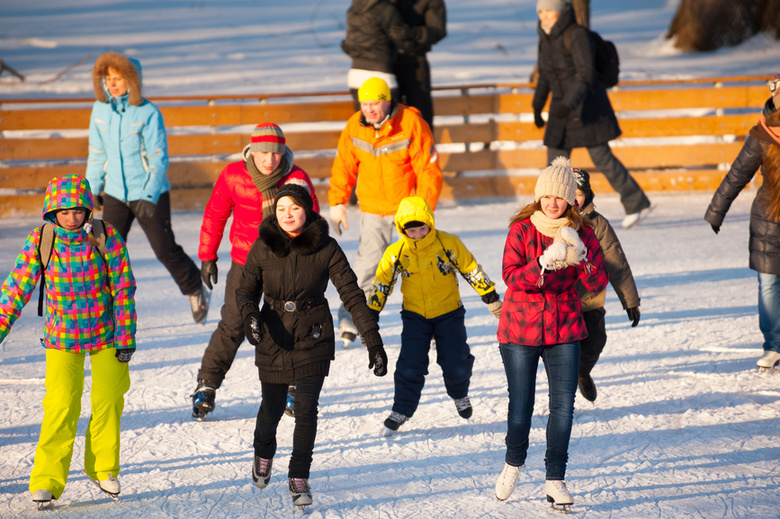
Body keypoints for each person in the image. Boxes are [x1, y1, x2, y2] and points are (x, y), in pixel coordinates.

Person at [235, 183, 388, 508]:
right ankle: (263, 451)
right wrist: (250, 315)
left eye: (294, 208)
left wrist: (372, 340)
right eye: (281, 209)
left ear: (307, 210)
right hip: (273, 334)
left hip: (313, 333)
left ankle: (298, 475)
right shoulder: (263, 247)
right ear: (274, 214)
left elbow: (352, 294)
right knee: (273, 407)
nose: (288, 214)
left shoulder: (326, 247)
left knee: (305, 409)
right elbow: (245, 290)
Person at [0, 175, 136, 508]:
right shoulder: (42, 239)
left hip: (106, 335)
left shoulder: (105, 236)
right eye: (64, 212)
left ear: (87, 209)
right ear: (51, 213)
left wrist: (125, 335)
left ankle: (103, 468)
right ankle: (47, 478)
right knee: (61, 406)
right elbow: (17, 286)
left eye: (77, 211)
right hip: (62, 338)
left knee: (108, 402)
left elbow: (123, 287)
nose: (72, 218)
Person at [494, 157, 607, 511]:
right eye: (547, 197)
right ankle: (513, 462)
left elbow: (597, 281)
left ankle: (555, 479)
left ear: (571, 199)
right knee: (521, 404)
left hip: (564, 326)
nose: (553, 203)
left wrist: (581, 257)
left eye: (559, 197)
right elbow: (511, 277)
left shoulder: (582, 231)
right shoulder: (522, 230)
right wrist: (542, 262)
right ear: (539, 198)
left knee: (563, 406)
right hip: (520, 328)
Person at [191, 122, 320, 421]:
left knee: (288, 325)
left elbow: (311, 219)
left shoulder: (296, 178)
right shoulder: (233, 176)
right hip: (245, 263)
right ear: (252, 150)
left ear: (283, 152)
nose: (269, 160)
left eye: (275, 153)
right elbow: (215, 214)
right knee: (234, 323)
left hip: (286, 264)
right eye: (263, 152)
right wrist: (207, 256)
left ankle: (291, 386)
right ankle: (206, 384)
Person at [85, 52, 208, 324]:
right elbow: (97, 153)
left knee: (164, 248)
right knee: (105, 249)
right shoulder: (100, 110)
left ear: (133, 80)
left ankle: (194, 287)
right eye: (108, 79)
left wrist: (150, 195)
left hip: (149, 192)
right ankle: (104, 305)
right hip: (116, 192)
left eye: (119, 78)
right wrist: (92, 189)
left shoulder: (148, 113)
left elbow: (158, 157)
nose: (113, 84)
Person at [366, 196, 502, 435]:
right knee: (410, 365)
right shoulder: (396, 252)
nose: (418, 234)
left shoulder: (448, 243)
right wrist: (371, 313)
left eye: (422, 229)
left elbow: (470, 268)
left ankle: (460, 394)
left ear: (430, 223)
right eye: (412, 231)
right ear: (402, 229)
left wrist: (490, 297)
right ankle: (401, 410)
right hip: (415, 316)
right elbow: (382, 283)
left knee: (456, 362)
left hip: (449, 312)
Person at [329, 76, 443, 347]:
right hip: (373, 209)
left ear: (387, 101)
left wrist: (423, 207)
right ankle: (351, 317)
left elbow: (428, 168)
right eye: (365, 104)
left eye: (375, 104)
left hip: (408, 208)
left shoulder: (410, 123)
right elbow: (344, 165)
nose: (369, 109)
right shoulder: (355, 127)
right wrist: (337, 202)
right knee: (367, 267)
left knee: (423, 266)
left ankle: (436, 323)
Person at [531, 0, 652, 229]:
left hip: (587, 108)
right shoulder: (545, 37)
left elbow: (586, 74)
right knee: (553, 166)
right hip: (562, 108)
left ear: (560, 12)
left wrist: (568, 104)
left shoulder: (577, 35)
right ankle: (550, 215)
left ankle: (636, 202)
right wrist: (537, 106)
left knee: (602, 158)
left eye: (548, 11)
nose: (544, 17)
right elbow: (545, 75)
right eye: (541, 12)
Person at [705, 75, 780, 372]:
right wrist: (716, 210)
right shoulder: (761, 135)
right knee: (769, 284)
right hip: (768, 221)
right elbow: (737, 174)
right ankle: (774, 346)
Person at [571, 167, 641, 402]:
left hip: (590, 300)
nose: (573, 199)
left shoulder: (598, 224)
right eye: (568, 192)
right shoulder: (550, 221)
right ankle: (563, 382)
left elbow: (616, 262)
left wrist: (630, 301)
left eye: (578, 193)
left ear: (587, 195)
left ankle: (582, 372)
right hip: (559, 300)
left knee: (595, 341)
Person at [341, 0, 419, 111]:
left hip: (356, 74)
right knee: (390, 123)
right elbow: (400, 41)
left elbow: (352, 41)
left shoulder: (353, 9)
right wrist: (416, 38)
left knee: (364, 124)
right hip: (381, 73)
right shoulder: (386, 9)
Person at [393, 0, 447, 131]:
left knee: (421, 115)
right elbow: (368, 20)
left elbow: (438, 30)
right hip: (387, 62)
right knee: (390, 116)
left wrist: (414, 33)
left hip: (416, 61)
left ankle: (423, 148)